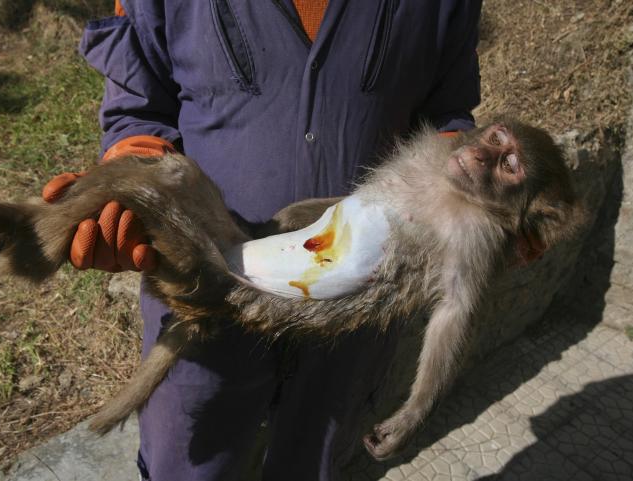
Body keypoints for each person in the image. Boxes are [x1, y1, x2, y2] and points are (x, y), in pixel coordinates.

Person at [43, 1, 482, 479]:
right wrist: (136, 171)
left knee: (313, 460)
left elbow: (446, 114)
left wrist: (487, 203)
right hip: (209, 290)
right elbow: (138, 98)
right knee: (190, 463)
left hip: (353, 315)